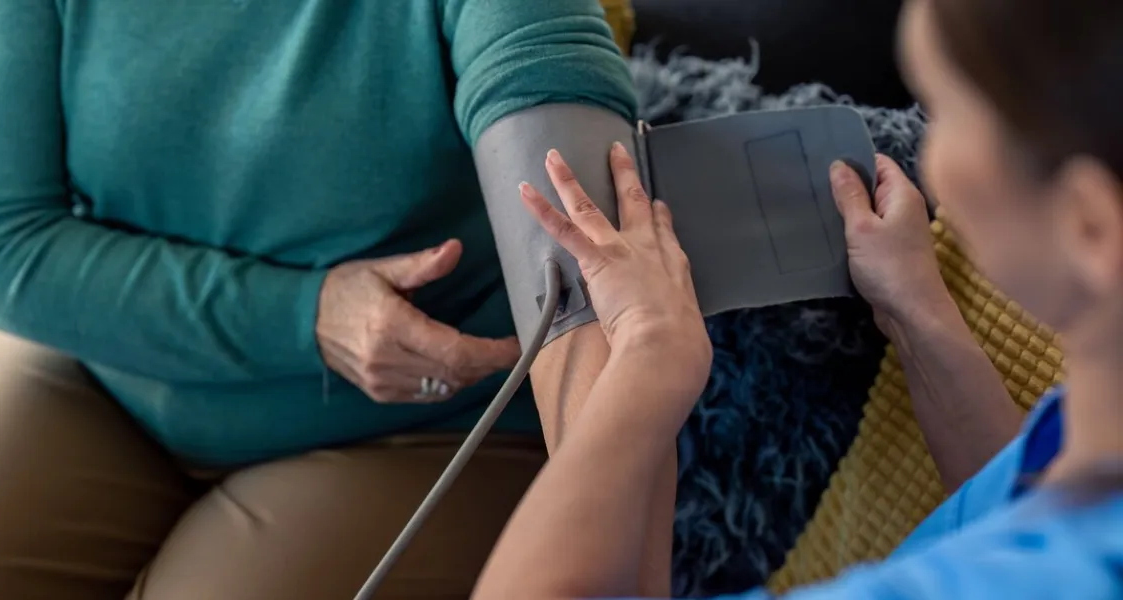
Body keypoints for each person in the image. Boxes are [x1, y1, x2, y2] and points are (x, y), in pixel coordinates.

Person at [0, 1, 643, 598]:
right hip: (105, 360)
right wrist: (307, 315)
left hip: (416, 423)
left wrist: (610, 507)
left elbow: (593, 270)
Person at [472, 0, 1123, 597]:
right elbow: (1014, 503)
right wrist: (913, 308)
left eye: (948, 113)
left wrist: (649, 350)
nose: (933, 156)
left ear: (1089, 226)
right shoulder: (1086, 452)